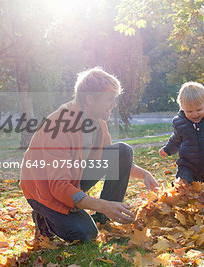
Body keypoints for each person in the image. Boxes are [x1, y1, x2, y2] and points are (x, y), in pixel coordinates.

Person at [20, 67, 159, 243]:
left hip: (73, 177)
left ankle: (104, 217)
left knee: (122, 151)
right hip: (44, 190)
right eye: (110, 99)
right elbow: (58, 187)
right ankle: (45, 218)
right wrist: (103, 204)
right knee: (85, 234)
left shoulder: (98, 121)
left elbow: (112, 161)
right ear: (90, 99)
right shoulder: (59, 127)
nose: (114, 105)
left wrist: (145, 174)